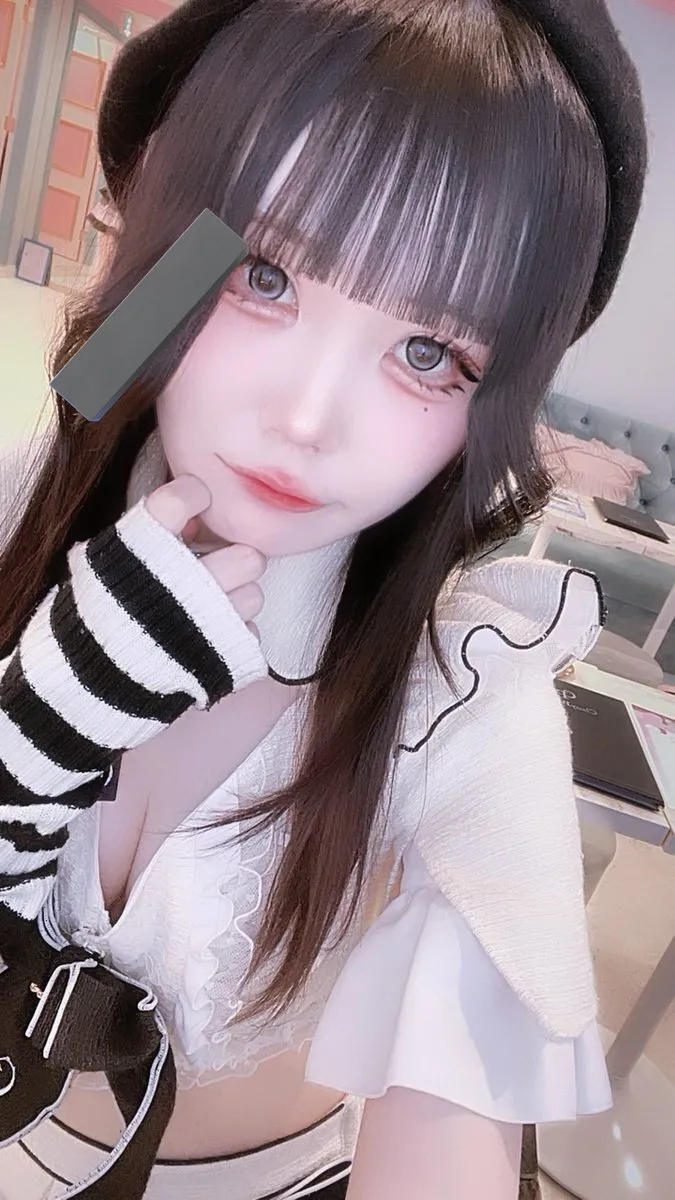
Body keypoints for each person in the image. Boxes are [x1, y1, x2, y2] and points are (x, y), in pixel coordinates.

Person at [0, 0, 647, 1197]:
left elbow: (446, 1144)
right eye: (264, 275)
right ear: (160, 248)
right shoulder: (16, 508)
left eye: (428, 353)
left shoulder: (463, 696)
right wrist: (36, 733)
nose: (306, 419)